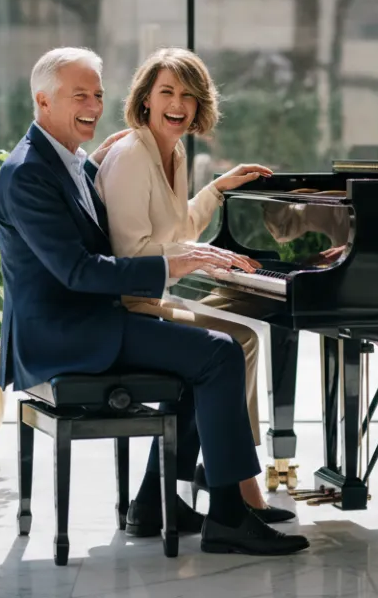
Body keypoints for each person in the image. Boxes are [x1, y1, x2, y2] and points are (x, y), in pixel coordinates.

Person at [0, 46, 308, 556]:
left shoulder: (67, 158)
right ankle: (229, 513)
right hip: (66, 334)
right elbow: (77, 271)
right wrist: (173, 264)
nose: (93, 104)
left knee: (206, 355)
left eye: (97, 93)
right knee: (219, 351)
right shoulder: (28, 172)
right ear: (42, 101)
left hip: (92, 318)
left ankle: (154, 503)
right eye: (80, 95)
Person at [93, 47, 294, 523]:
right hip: (125, 308)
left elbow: (177, 229)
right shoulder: (131, 157)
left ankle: (157, 498)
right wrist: (192, 257)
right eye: (167, 91)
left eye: (188, 94)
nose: (177, 103)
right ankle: (240, 489)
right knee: (233, 344)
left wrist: (217, 189)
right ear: (145, 99)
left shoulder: (172, 152)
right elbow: (128, 255)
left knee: (242, 340)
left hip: (149, 300)